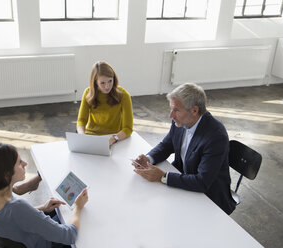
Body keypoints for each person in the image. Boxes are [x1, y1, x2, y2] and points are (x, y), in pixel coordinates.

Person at [132, 83, 236, 215]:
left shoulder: (215, 136)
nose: (171, 115)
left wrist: (163, 177)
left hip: (209, 198)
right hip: (185, 183)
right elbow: (167, 144)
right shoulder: (180, 120)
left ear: (194, 110)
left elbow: (202, 182)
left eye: (176, 110)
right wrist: (148, 159)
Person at [0, 143, 89, 248]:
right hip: (44, 244)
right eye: (19, 163)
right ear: (7, 174)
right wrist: (78, 207)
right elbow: (69, 236)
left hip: (16, 237)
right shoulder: (17, 208)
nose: (25, 163)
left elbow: (9, 220)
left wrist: (42, 208)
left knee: (60, 211)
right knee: (82, 220)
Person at [77, 61, 133, 146]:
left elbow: (128, 128)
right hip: (91, 136)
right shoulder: (88, 93)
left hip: (114, 138)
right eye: (102, 83)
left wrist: (114, 138)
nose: (107, 86)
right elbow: (81, 120)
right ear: (95, 82)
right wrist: (82, 136)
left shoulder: (124, 95)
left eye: (110, 81)